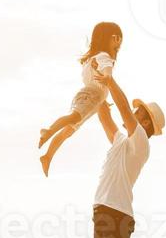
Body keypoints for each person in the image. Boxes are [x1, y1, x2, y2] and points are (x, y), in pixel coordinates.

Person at [90, 72, 164, 238]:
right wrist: (96, 89)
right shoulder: (122, 141)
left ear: (145, 120)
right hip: (102, 210)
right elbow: (106, 117)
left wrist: (109, 81)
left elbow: (122, 109)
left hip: (117, 213)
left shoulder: (141, 141)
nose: (131, 112)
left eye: (137, 111)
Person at [39, 21, 123, 176]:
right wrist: (107, 79)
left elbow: (94, 78)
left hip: (93, 100)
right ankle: (49, 130)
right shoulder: (104, 57)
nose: (119, 46)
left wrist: (103, 100)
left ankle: (47, 156)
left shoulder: (93, 58)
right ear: (112, 38)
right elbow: (107, 72)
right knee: (73, 117)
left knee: (69, 130)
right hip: (90, 97)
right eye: (118, 41)